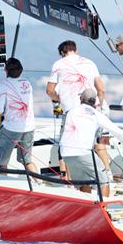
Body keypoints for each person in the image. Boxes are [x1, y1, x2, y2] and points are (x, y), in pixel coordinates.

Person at [60, 88, 123, 196]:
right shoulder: (95, 114)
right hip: (84, 153)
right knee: (104, 181)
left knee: (83, 183)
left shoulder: (71, 112)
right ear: (95, 102)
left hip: (66, 153)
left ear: (81, 99)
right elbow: (120, 133)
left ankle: (87, 208)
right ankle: (104, 208)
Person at [46, 40, 104, 173]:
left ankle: (66, 178)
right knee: (93, 143)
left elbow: (49, 91)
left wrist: (59, 99)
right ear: (76, 50)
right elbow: (101, 89)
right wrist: (98, 106)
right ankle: (104, 173)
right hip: (91, 110)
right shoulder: (90, 63)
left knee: (65, 144)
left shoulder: (58, 64)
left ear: (62, 52)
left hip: (71, 110)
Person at [0, 58, 37, 175]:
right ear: (20, 70)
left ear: (6, 70)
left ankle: (2, 190)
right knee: (27, 161)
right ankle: (39, 182)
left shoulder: (3, 85)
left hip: (11, 128)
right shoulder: (27, 83)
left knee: (2, 163)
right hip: (29, 127)